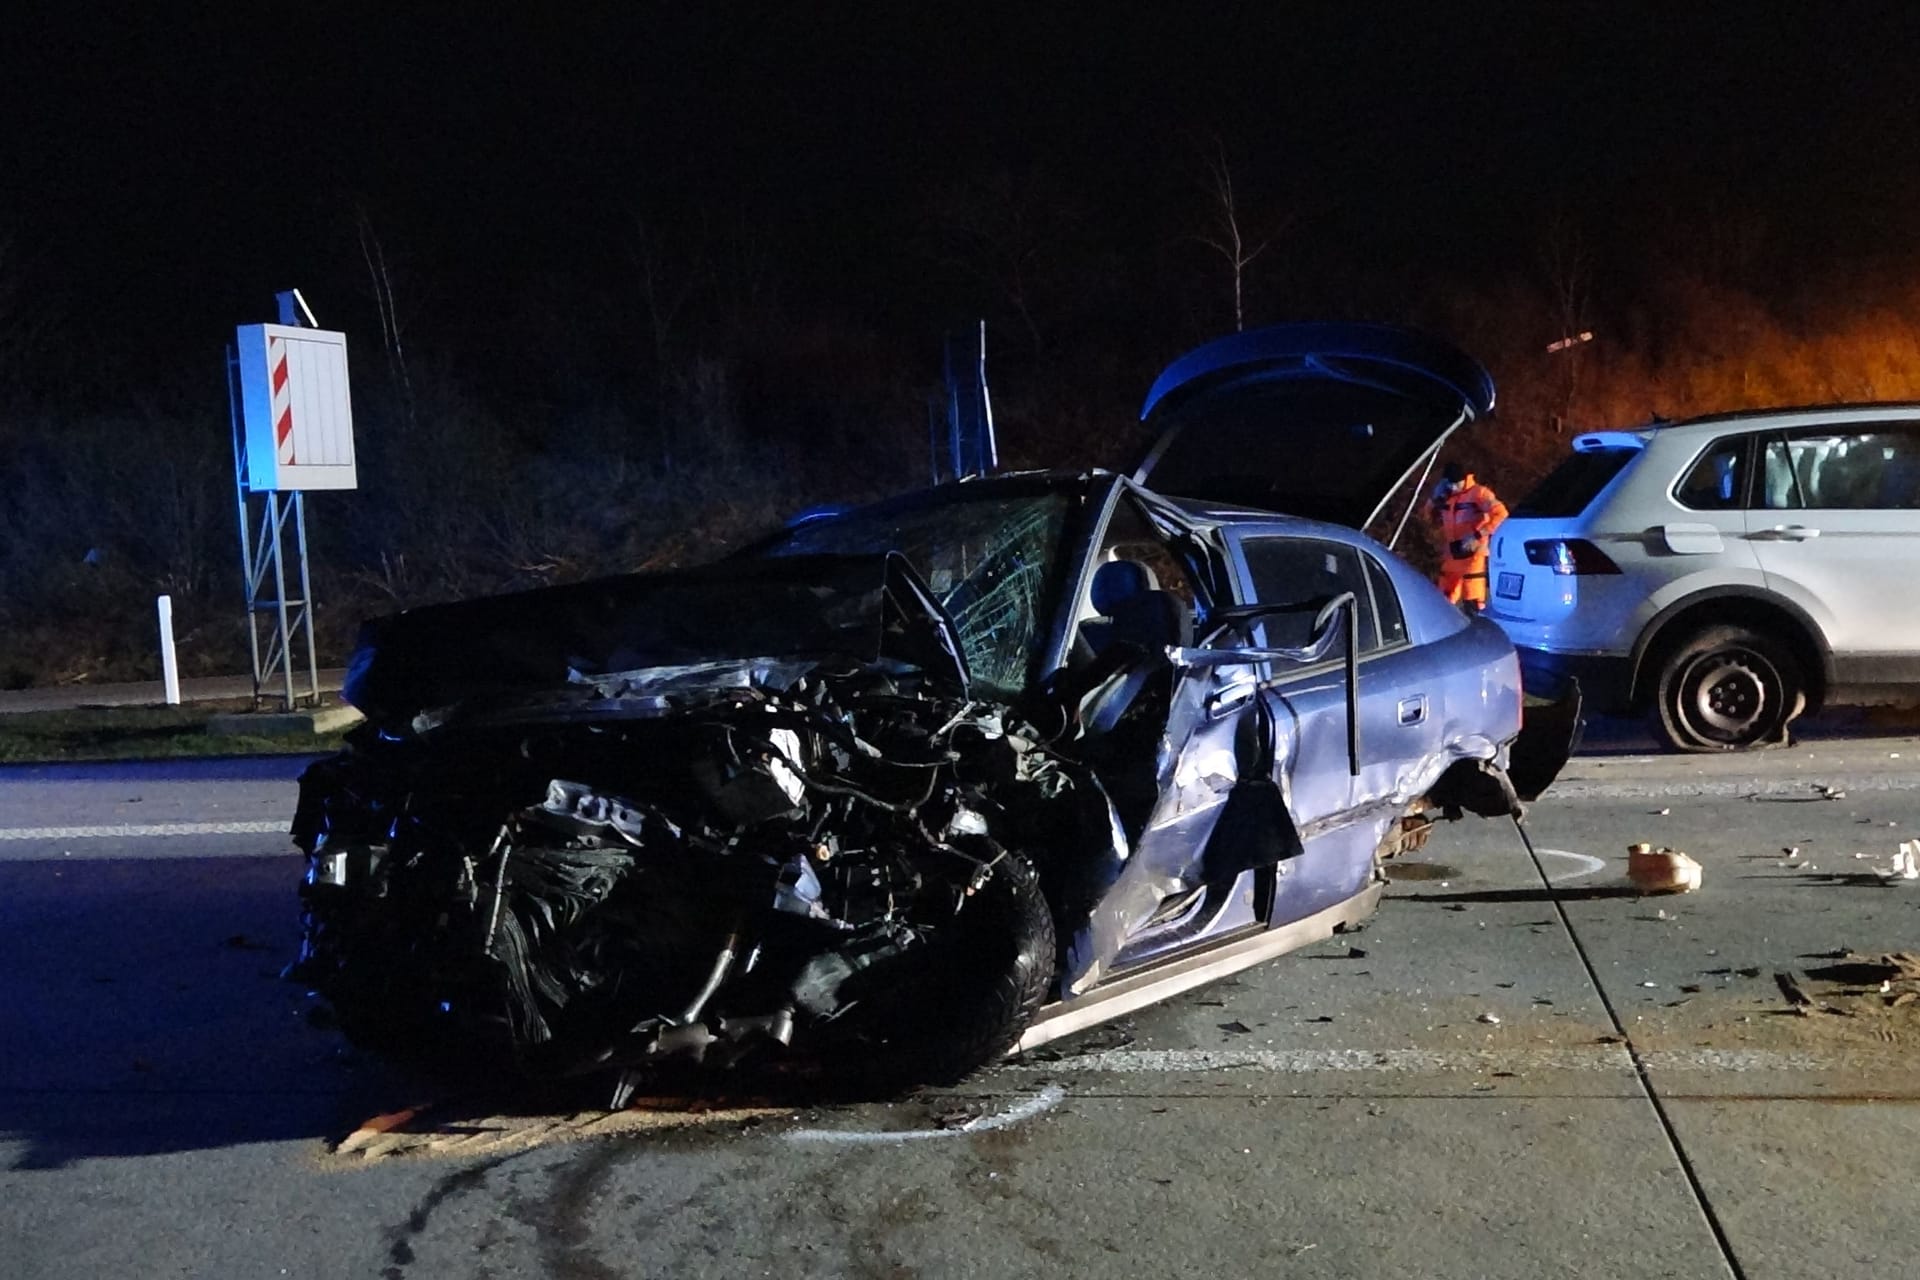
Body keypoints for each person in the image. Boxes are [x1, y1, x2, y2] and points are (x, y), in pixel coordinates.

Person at [1428, 461, 1508, 611]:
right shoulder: (1446, 497)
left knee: (1472, 600)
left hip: (1473, 555)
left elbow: (1501, 513)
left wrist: (1477, 535)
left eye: (1455, 483)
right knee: (1442, 601)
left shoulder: (1479, 493)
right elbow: (1427, 517)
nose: (1452, 487)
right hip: (1452, 553)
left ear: (1464, 479)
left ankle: (1476, 626)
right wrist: (1433, 498)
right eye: (1449, 483)